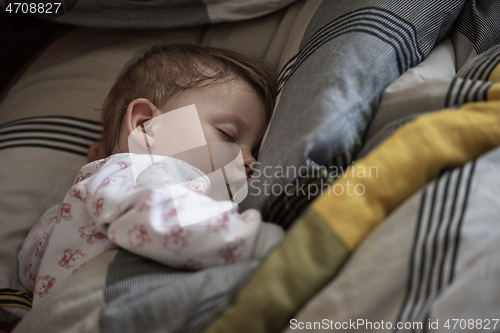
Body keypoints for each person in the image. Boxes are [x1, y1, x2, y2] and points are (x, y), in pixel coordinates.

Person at [18, 44, 284, 307]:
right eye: (227, 135)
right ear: (146, 126)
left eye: (256, 150)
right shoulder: (138, 170)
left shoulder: (67, 212)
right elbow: (164, 219)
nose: (251, 162)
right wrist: (265, 241)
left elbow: (30, 270)